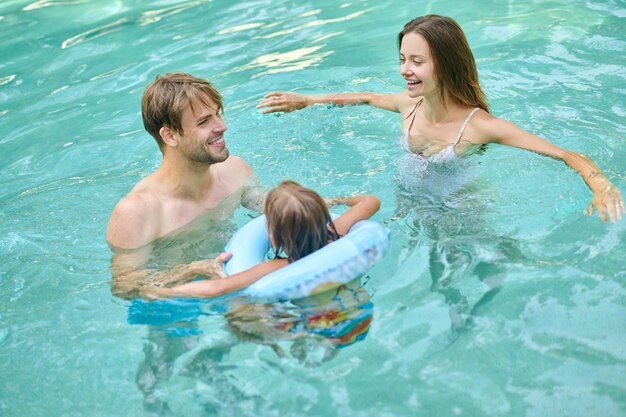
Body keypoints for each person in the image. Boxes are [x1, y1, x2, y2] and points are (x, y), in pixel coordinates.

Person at [257, 14, 624, 223]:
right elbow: (366, 97)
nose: (405, 69)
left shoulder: (478, 126)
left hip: (463, 215)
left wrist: (601, 185)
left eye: (416, 61)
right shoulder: (409, 104)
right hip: (410, 205)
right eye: (402, 59)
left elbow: (563, 154)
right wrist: (306, 100)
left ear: (445, 64)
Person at [107, 72, 265, 299]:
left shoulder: (236, 171)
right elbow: (124, 287)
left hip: (234, 279)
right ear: (170, 135)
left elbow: (272, 209)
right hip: (178, 306)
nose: (222, 126)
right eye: (204, 121)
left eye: (217, 114)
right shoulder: (137, 211)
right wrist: (188, 271)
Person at [141, 180, 381, 299]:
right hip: (357, 308)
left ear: (273, 238)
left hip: (317, 323)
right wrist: (338, 200)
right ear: (322, 217)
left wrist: (162, 292)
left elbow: (217, 287)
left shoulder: (277, 266)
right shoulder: (336, 231)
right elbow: (371, 201)